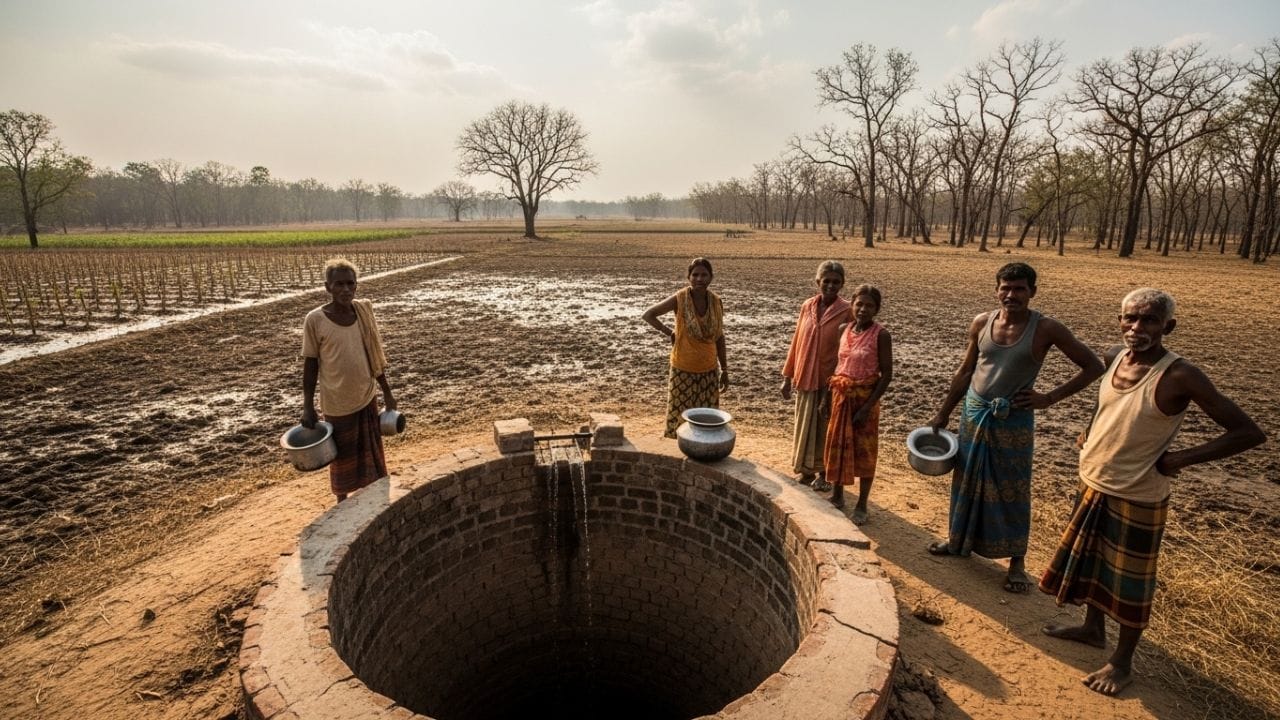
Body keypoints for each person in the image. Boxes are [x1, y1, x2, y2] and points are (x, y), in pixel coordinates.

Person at [1039, 288, 1264, 696]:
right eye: (1130, 318)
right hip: (1094, 478)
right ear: (1119, 321)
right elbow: (1107, 403)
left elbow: (1248, 432)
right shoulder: (1113, 357)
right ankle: (1092, 628)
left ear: (1168, 326)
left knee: (1131, 581)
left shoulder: (1179, 375)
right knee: (1096, 564)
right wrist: (1090, 429)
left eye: (1148, 321)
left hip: (1139, 493)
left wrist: (1180, 459)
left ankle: (1122, 664)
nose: (1136, 328)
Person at [926, 262, 1104, 593]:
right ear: (997, 290)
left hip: (1013, 422)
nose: (1012, 295)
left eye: (1019, 288)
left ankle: (1016, 561)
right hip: (973, 414)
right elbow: (966, 372)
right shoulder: (982, 322)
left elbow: (1093, 366)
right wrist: (944, 412)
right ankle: (957, 541)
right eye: (1005, 289)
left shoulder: (1047, 329)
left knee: (1012, 490)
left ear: (1032, 292)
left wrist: (1049, 398)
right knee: (966, 481)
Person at [301, 258, 397, 502]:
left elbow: (374, 354)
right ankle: (342, 505)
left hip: (366, 395)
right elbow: (311, 365)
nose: (345, 289)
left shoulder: (362, 313)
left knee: (371, 452)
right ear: (327, 287)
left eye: (350, 284)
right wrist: (308, 406)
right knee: (342, 457)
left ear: (356, 286)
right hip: (336, 401)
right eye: (339, 284)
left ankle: (374, 498)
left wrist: (386, 391)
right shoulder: (316, 320)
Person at [821, 284, 893, 524]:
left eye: (869, 305)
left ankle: (862, 504)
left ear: (877, 309)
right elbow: (836, 365)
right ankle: (838, 495)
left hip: (864, 400)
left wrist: (867, 407)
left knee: (865, 452)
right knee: (837, 446)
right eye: (859, 304)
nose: (863, 309)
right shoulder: (844, 329)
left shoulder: (881, 335)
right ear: (852, 305)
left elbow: (887, 375)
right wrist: (825, 398)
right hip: (840, 397)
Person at [780, 261, 851, 488]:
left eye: (835, 282)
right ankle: (807, 471)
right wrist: (787, 377)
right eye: (826, 281)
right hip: (805, 376)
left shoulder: (847, 310)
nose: (830, 286)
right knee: (805, 425)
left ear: (842, 284)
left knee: (825, 428)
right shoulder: (807, 306)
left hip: (829, 380)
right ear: (817, 282)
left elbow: (847, 351)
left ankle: (823, 475)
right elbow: (796, 341)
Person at [642, 257, 729, 438]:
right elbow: (649, 315)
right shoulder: (680, 299)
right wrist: (669, 332)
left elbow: (719, 337)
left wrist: (725, 369)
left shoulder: (716, 302)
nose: (699, 279)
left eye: (704, 275)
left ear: (711, 278)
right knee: (678, 419)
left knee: (706, 420)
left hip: (709, 370)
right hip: (683, 368)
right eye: (695, 275)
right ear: (688, 278)